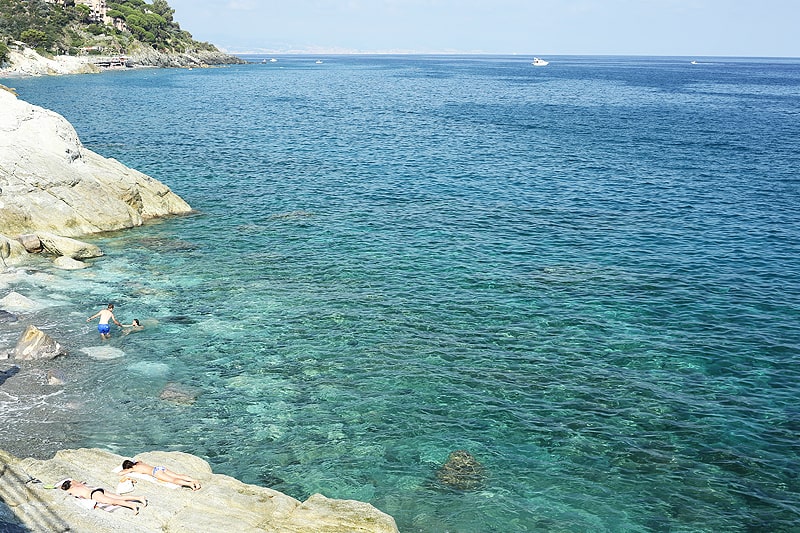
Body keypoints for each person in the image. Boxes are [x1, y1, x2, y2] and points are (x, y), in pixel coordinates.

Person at [59, 478, 146, 514]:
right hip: (98, 490)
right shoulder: (77, 484)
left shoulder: (71, 490)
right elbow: (70, 479)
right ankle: (139, 498)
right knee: (118, 497)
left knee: (114, 501)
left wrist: (59, 487)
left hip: (94, 495)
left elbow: (63, 490)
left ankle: (132, 506)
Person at [120, 459, 201, 490]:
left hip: (156, 473)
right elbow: (139, 460)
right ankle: (194, 480)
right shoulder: (138, 463)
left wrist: (127, 470)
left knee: (173, 480)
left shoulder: (133, 468)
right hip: (159, 468)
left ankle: (190, 484)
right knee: (177, 475)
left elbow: (121, 473)